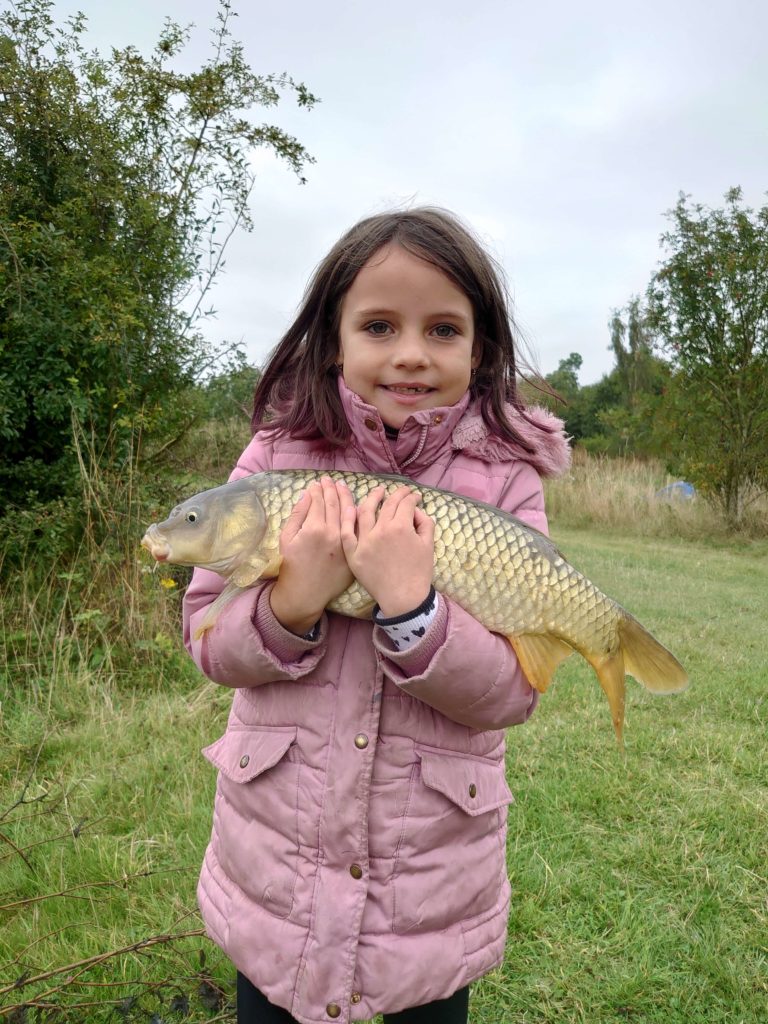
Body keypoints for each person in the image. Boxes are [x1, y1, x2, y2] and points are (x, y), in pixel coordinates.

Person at [183, 208, 571, 1024]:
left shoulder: (507, 480)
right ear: (334, 340)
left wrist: (414, 607)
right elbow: (208, 643)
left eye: (442, 329)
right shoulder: (274, 456)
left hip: (425, 906)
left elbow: (512, 694)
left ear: (480, 348)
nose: (409, 354)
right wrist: (292, 601)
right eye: (379, 325)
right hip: (276, 892)